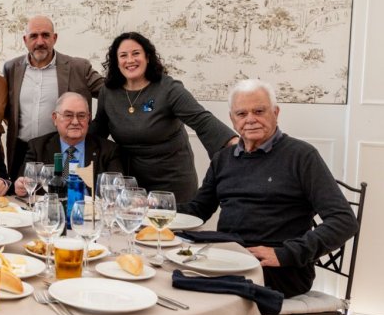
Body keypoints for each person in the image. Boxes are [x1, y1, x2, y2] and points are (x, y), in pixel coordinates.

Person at [178, 79, 358, 298]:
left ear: (276, 112)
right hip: (229, 256)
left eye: (259, 111)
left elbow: (344, 221)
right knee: (169, 271)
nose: (250, 120)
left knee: (197, 288)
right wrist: (154, 210)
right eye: (242, 114)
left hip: (281, 269)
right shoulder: (223, 159)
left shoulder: (302, 156)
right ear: (232, 119)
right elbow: (198, 210)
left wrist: (285, 254)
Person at [91, 32, 237, 203]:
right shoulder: (108, 92)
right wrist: (70, 146)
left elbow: (202, 120)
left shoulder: (169, 89)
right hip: (131, 182)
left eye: (136, 53)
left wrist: (235, 144)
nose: (130, 60)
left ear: (147, 57)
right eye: (123, 55)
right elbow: (98, 129)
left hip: (172, 181)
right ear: (116, 61)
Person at [3, 15, 104, 182]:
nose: (40, 42)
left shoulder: (79, 67)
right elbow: (2, 104)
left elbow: (109, 94)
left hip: (60, 150)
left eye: (45, 35)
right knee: (22, 194)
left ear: (54, 38)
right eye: (33, 36)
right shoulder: (11, 68)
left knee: (65, 194)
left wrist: (98, 127)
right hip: (22, 150)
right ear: (25, 40)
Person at [14, 92, 123, 197]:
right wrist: (21, 187)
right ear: (55, 118)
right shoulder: (37, 147)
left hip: (91, 209)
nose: (75, 122)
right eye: (68, 115)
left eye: (81, 116)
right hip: (51, 208)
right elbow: (24, 185)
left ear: (88, 118)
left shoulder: (108, 151)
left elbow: (117, 191)